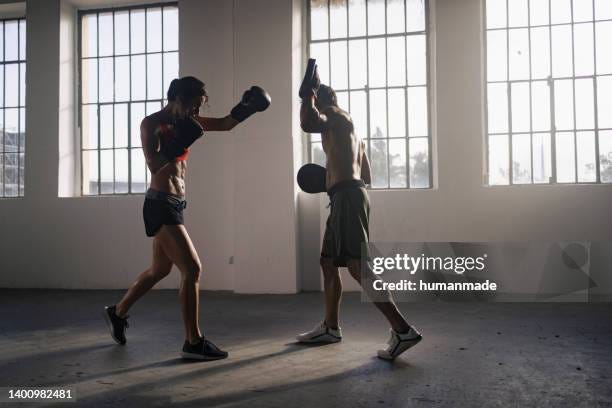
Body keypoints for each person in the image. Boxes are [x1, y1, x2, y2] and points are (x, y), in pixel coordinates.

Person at [103, 76, 270, 360]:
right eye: (193, 106)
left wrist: (247, 108)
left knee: (159, 270)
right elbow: (154, 165)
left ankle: (117, 313)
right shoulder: (151, 124)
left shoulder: (188, 120)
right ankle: (194, 342)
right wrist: (179, 141)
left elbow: (226, 124)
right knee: (192, 269)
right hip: (159, 204)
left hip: (177, 203)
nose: (196, 113)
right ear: (178, 99)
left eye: (199, 108)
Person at [296, 60, 422, 360]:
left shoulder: (331, 114)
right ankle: (330, 327)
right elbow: (366, 177)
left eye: (315, 101)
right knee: (328, 261)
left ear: (323, 100)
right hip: (346, 196)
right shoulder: (350, 131)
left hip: (348, 199)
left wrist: (306, 97)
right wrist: (332, 180)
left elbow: (308, 123)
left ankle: (403, 330)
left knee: (356, 266)